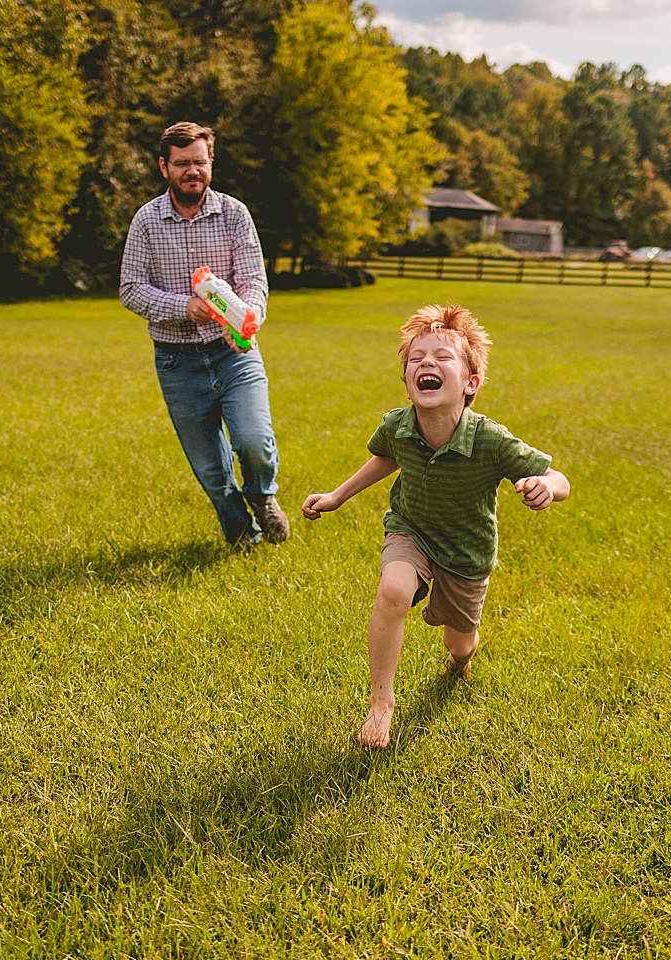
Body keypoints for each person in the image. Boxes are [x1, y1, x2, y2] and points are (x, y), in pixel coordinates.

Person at [301, 304, 570, 748]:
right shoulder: (399, 425)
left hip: (467, 553)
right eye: (416, 358)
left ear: (470, 383)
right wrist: (336, 496)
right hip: (412, 530)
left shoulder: (490, 438)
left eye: (443, 357)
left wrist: (545, 486)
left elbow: (559, 478)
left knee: (459, 643)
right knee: (392, 590)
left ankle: (461, 661)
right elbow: (386, 457)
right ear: (407, 381)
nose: (427, 362)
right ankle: (380, 704)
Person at [120, 121, 289, 547]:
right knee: (211, 468)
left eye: (199, 162)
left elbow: (253, 280)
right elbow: (130, 288)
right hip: (177, 361)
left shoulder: (234, 213)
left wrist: (245, 318)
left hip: (235, 352)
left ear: (210, 163)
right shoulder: (146, 221)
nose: (192, 170)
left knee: (253, 439)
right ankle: (242, 536)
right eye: (182, 164)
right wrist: (184, 307)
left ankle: (263, 497)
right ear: (164, 167)